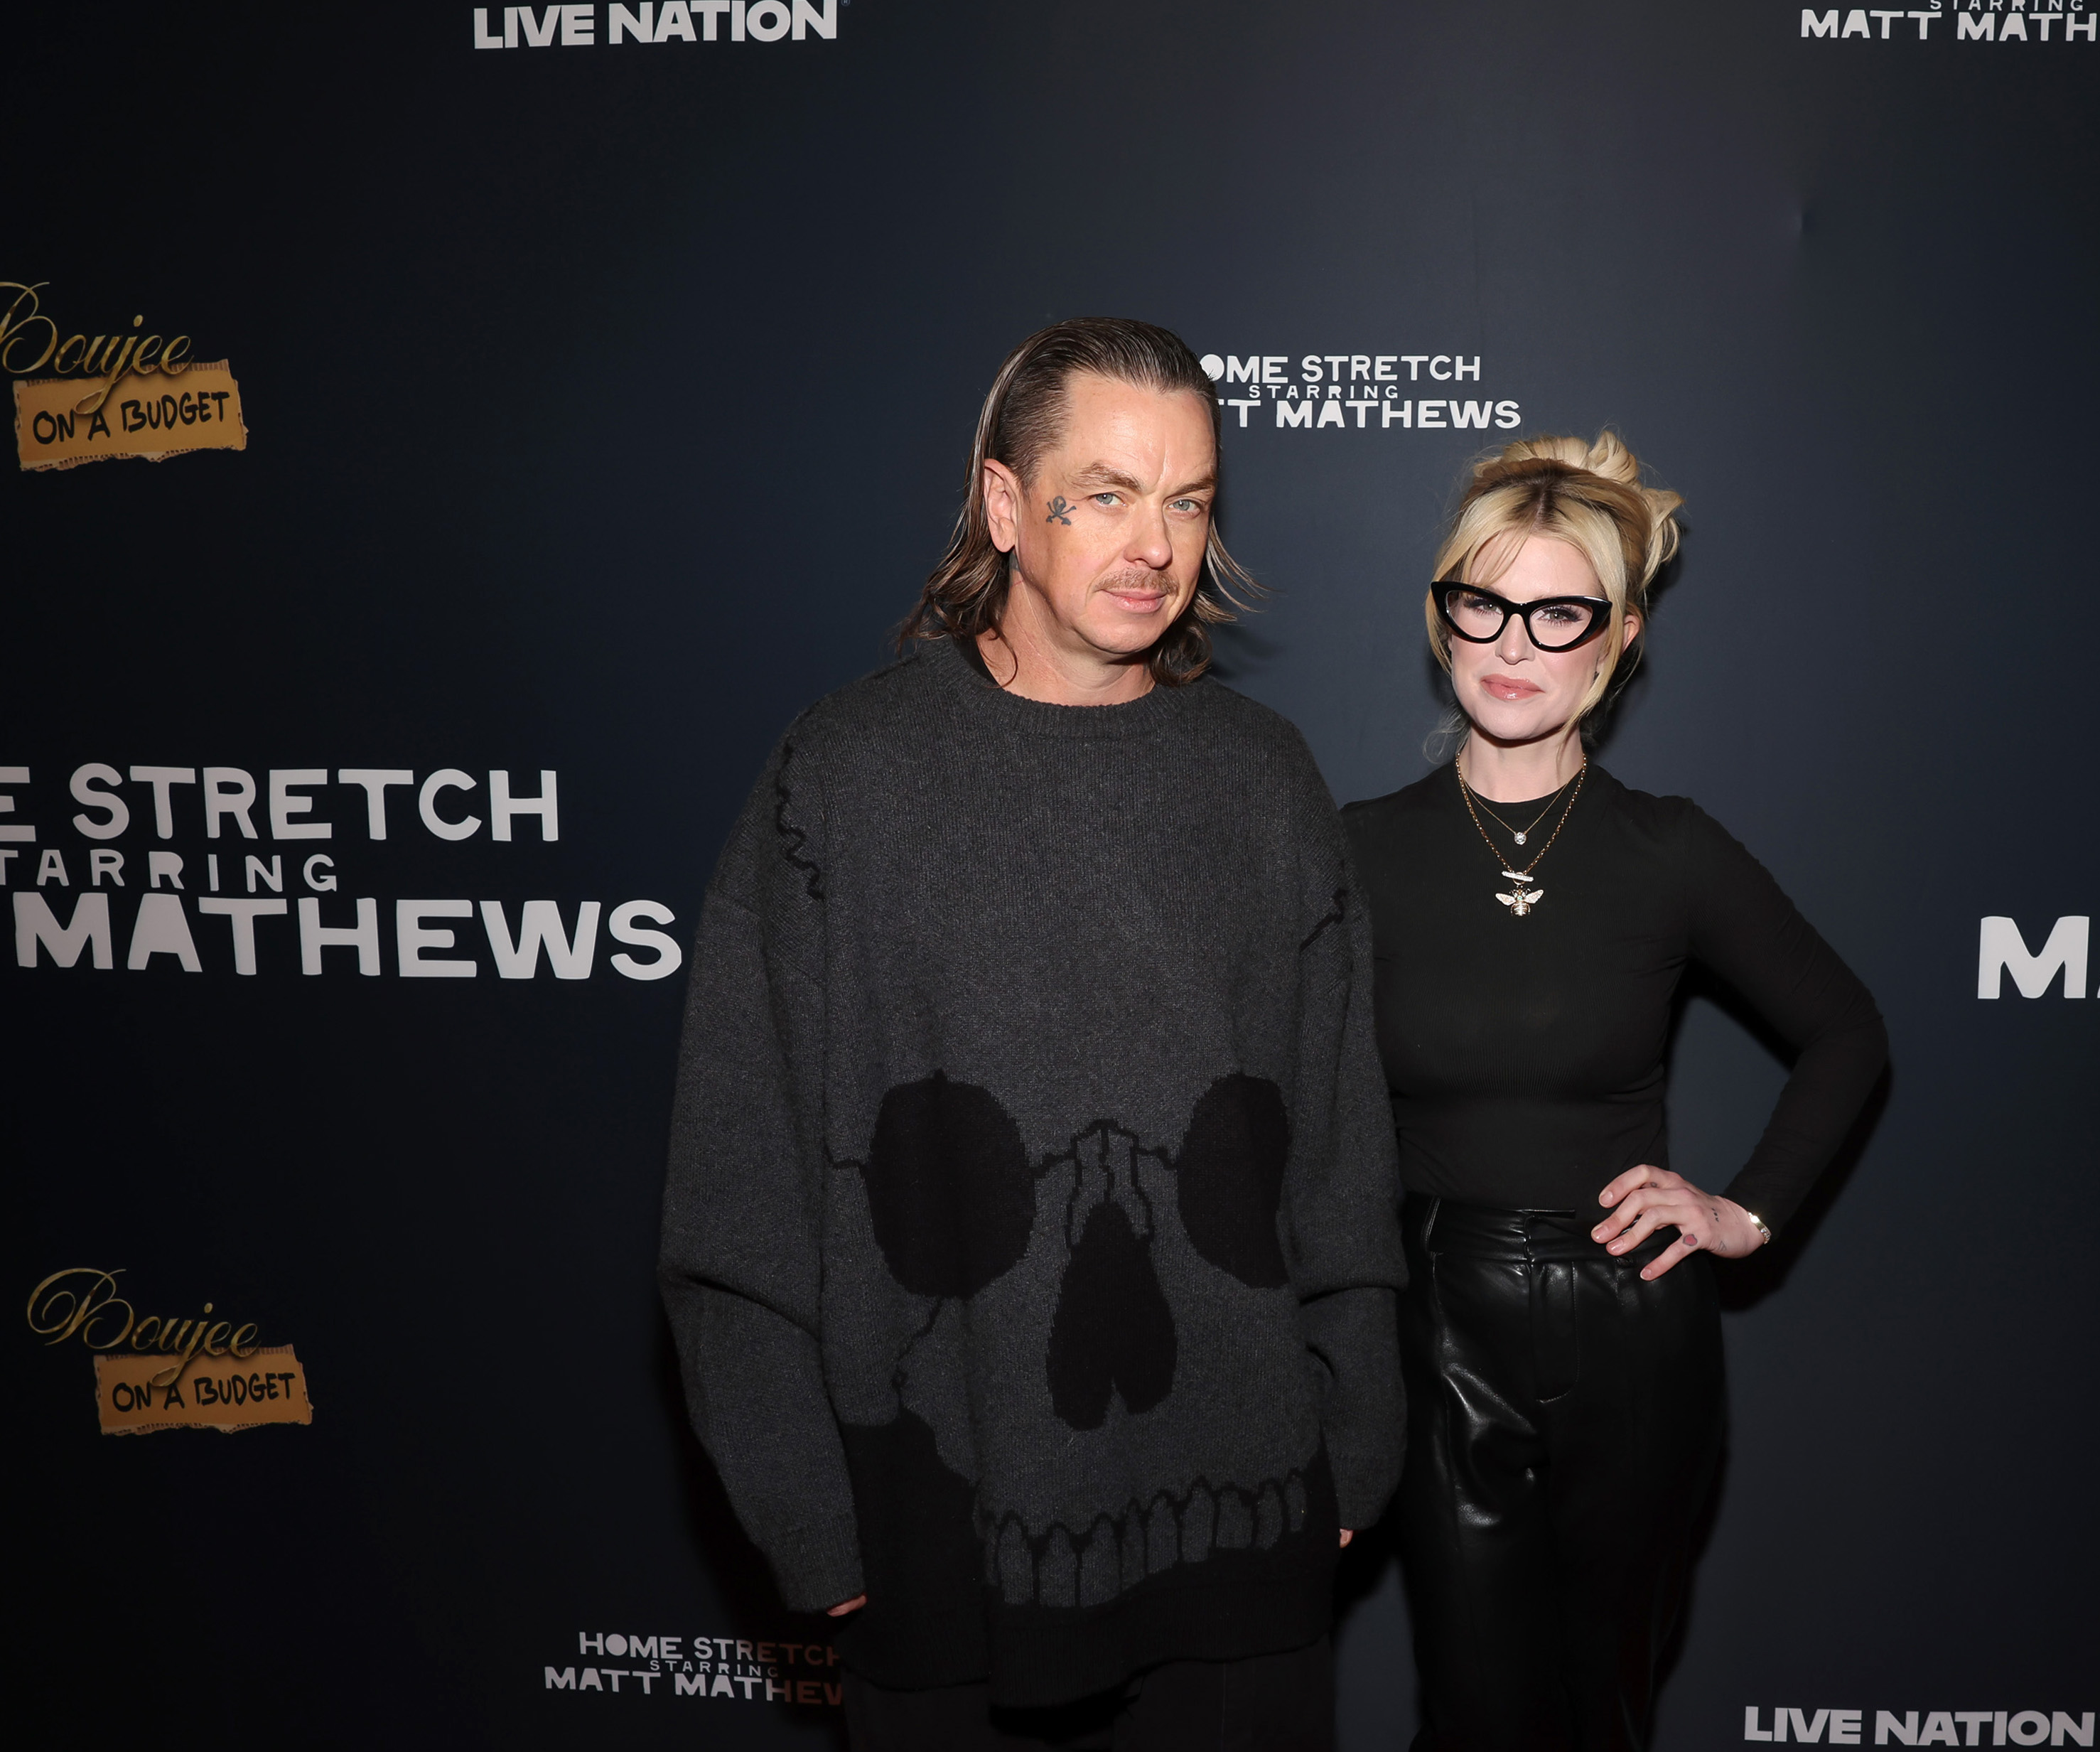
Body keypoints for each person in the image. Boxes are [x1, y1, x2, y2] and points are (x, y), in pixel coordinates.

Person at [659, 318, 1406, 1752]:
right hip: (943, 1560)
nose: (1156, 543)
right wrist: (815, 1530)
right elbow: (737, 1184)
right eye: (1109, 492)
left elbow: (1336, 1151)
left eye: (1189, 499)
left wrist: (1354, 1451)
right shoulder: (848, 779)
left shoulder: (1263, 780)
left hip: (1242, 1549)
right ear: (1006, 506)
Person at [1341, 433, 1889, 1751]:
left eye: (1560, 610)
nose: (1513, 640)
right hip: (1433, 1322)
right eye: (1483, 601)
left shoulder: (1672, 851)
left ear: (1620, 635)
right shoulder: (1350, 850)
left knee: (1604, 1712)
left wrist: (1743, 1212)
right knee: (1474, 1716)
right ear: (1441, 617)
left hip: (1634, 1322)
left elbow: (1847, 1033)